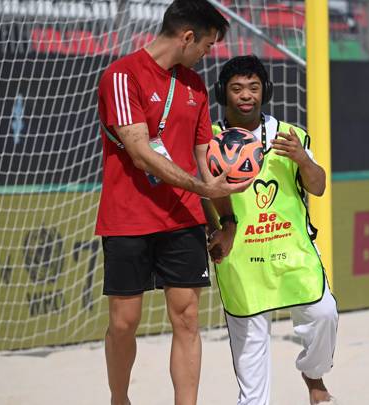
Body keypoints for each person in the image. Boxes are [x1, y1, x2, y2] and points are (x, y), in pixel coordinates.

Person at [95, 1, 247, 404]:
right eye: (208, 45)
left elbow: (206, 163)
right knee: (124, 323)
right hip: (127, 217)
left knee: (188, 319)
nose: (208, 54)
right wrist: (204, 190)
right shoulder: (121, 75)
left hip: (182, 219)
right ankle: (119, 399)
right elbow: (140, 152)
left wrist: (226, 223)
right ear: (187, 37)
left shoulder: (194, 86)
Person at [207, 55, 339, 405]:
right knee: (251, 366)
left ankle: (313, 375)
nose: (246, 95)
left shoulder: (290, 135)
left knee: (324, 315)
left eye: (253, 87)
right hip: (241, 260)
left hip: (292, 252)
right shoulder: (209, 140)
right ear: (223, 93)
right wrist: (217, 231)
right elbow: (202, 196)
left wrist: (303, 159)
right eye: (236, 88)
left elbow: (320, 186)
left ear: (266, 90)